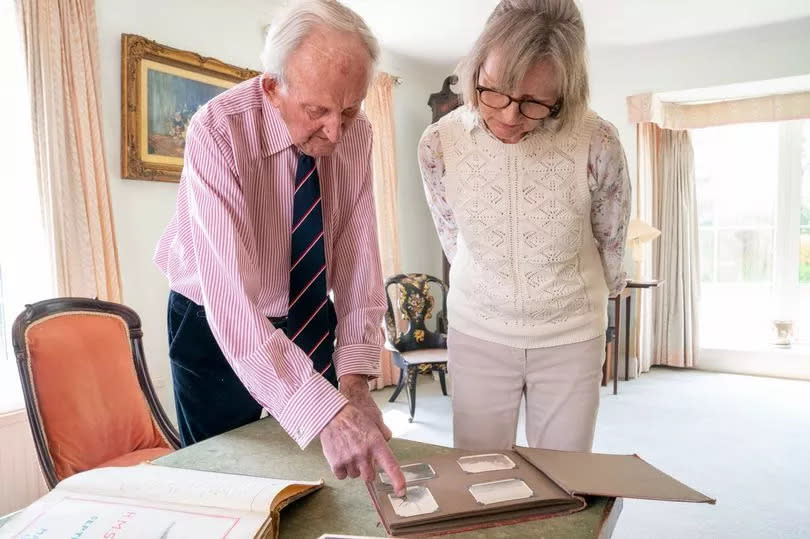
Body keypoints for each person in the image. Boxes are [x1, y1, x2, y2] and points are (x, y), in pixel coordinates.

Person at [155, 0, 405, 494]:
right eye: (318, 111)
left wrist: (353, 377)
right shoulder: (216, 129)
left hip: (308, 310)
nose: (335, 131)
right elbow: (230, 302)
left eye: (350, 109)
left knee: (320, 481)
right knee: (227, 479)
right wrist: (324, 411)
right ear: (272, 88)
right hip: (214, 318)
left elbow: (358, 256)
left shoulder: (356, 134)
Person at [419, 0, 631, 452]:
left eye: (535, 102)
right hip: (476, 330)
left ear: (564, 96)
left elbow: (610, 240)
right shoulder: (438, 144)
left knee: (563, 479)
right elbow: (453, 237)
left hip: (571, 335)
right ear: (475, 70)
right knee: (479, 475)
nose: (510, 115)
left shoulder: (598, 141)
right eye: (494, 91)